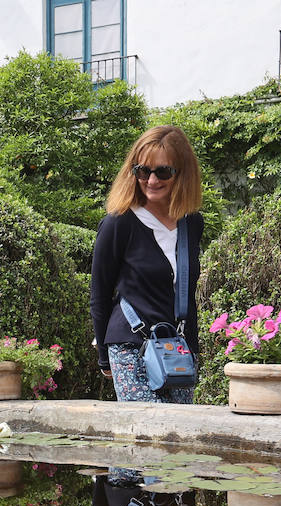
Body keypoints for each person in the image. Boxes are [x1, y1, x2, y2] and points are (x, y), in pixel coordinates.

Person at [89, 125, 205, 404]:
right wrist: (104, 357)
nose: (151, 180)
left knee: (180, 429)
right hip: (130, 346)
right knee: (146, 427)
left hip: (176, 350)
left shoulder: (191, 223)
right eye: (142, 171)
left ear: (182, 173)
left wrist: (193, 350)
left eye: (162, 172)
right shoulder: (119, 222)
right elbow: (99, 294)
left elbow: (186, 294)